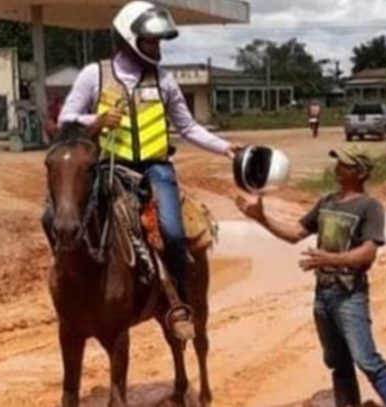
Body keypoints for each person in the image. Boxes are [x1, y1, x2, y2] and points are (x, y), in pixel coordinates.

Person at [45, 0, 241, 339]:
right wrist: (96, 120)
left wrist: (224, 147)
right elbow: (65, 120)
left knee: (172, 230)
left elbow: (188, 126)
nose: (157, 48)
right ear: (129, 39)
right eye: (151, 41)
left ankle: (177, 303)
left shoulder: (164, 81)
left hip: (155, 170)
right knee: (53, 218)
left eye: (158, 42)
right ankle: (69, 284)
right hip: (108, 168)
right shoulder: (96, 74)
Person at [235, 145, 386, 407]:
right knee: (337, 362)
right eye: (338, 162)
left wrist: (330, 259)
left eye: (344, 164)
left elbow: (368, 253)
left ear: (361, 173)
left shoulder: (370, 207)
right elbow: (296, 233)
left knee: (367, 359)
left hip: (350, 296)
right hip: (323, 296)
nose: (337, 168)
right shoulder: (327, 202)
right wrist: (262, 219)